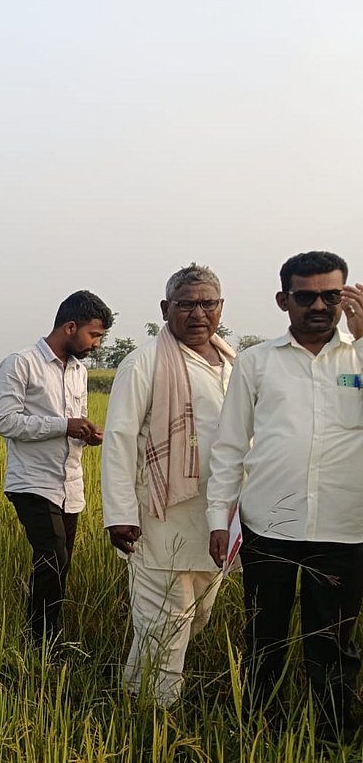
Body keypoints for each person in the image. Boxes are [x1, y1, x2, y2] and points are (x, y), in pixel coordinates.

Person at [208, 250, 363, 739]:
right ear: (283, 300)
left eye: (330, 295)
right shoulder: (256, 362)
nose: (319, 305)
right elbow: (230, 444)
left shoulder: (359, 353)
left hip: (346, 527)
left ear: (346, 296)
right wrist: (219, 516)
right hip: (268, 526)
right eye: (305, 295)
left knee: (334, 643)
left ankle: (334, 740)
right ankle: (257, 730)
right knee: (264, 637)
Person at [101, 265, 235, 706]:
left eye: (207, 303)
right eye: (186, 304)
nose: (198, 313)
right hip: (159, 519)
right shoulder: (145, 362)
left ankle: (139, 694)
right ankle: (153, 715)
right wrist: (119, 515)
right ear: (166, 309)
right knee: (165, 622)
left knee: (196, 616)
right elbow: (119, 439)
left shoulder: (233, 362)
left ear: (220, 308)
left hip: (218, 521)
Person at [0, 290, 112, 643]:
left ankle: (42, 634)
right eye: (94, 335)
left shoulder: (79, 372)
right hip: (30, 482)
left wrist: (85, 432)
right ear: (70, 327)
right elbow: (5, 422)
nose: (96, 344)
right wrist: (64, 425)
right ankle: (41, 641)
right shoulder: (20, 363)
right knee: (53, 558)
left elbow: (74, 422)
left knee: (59, 565)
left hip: (69, 485)